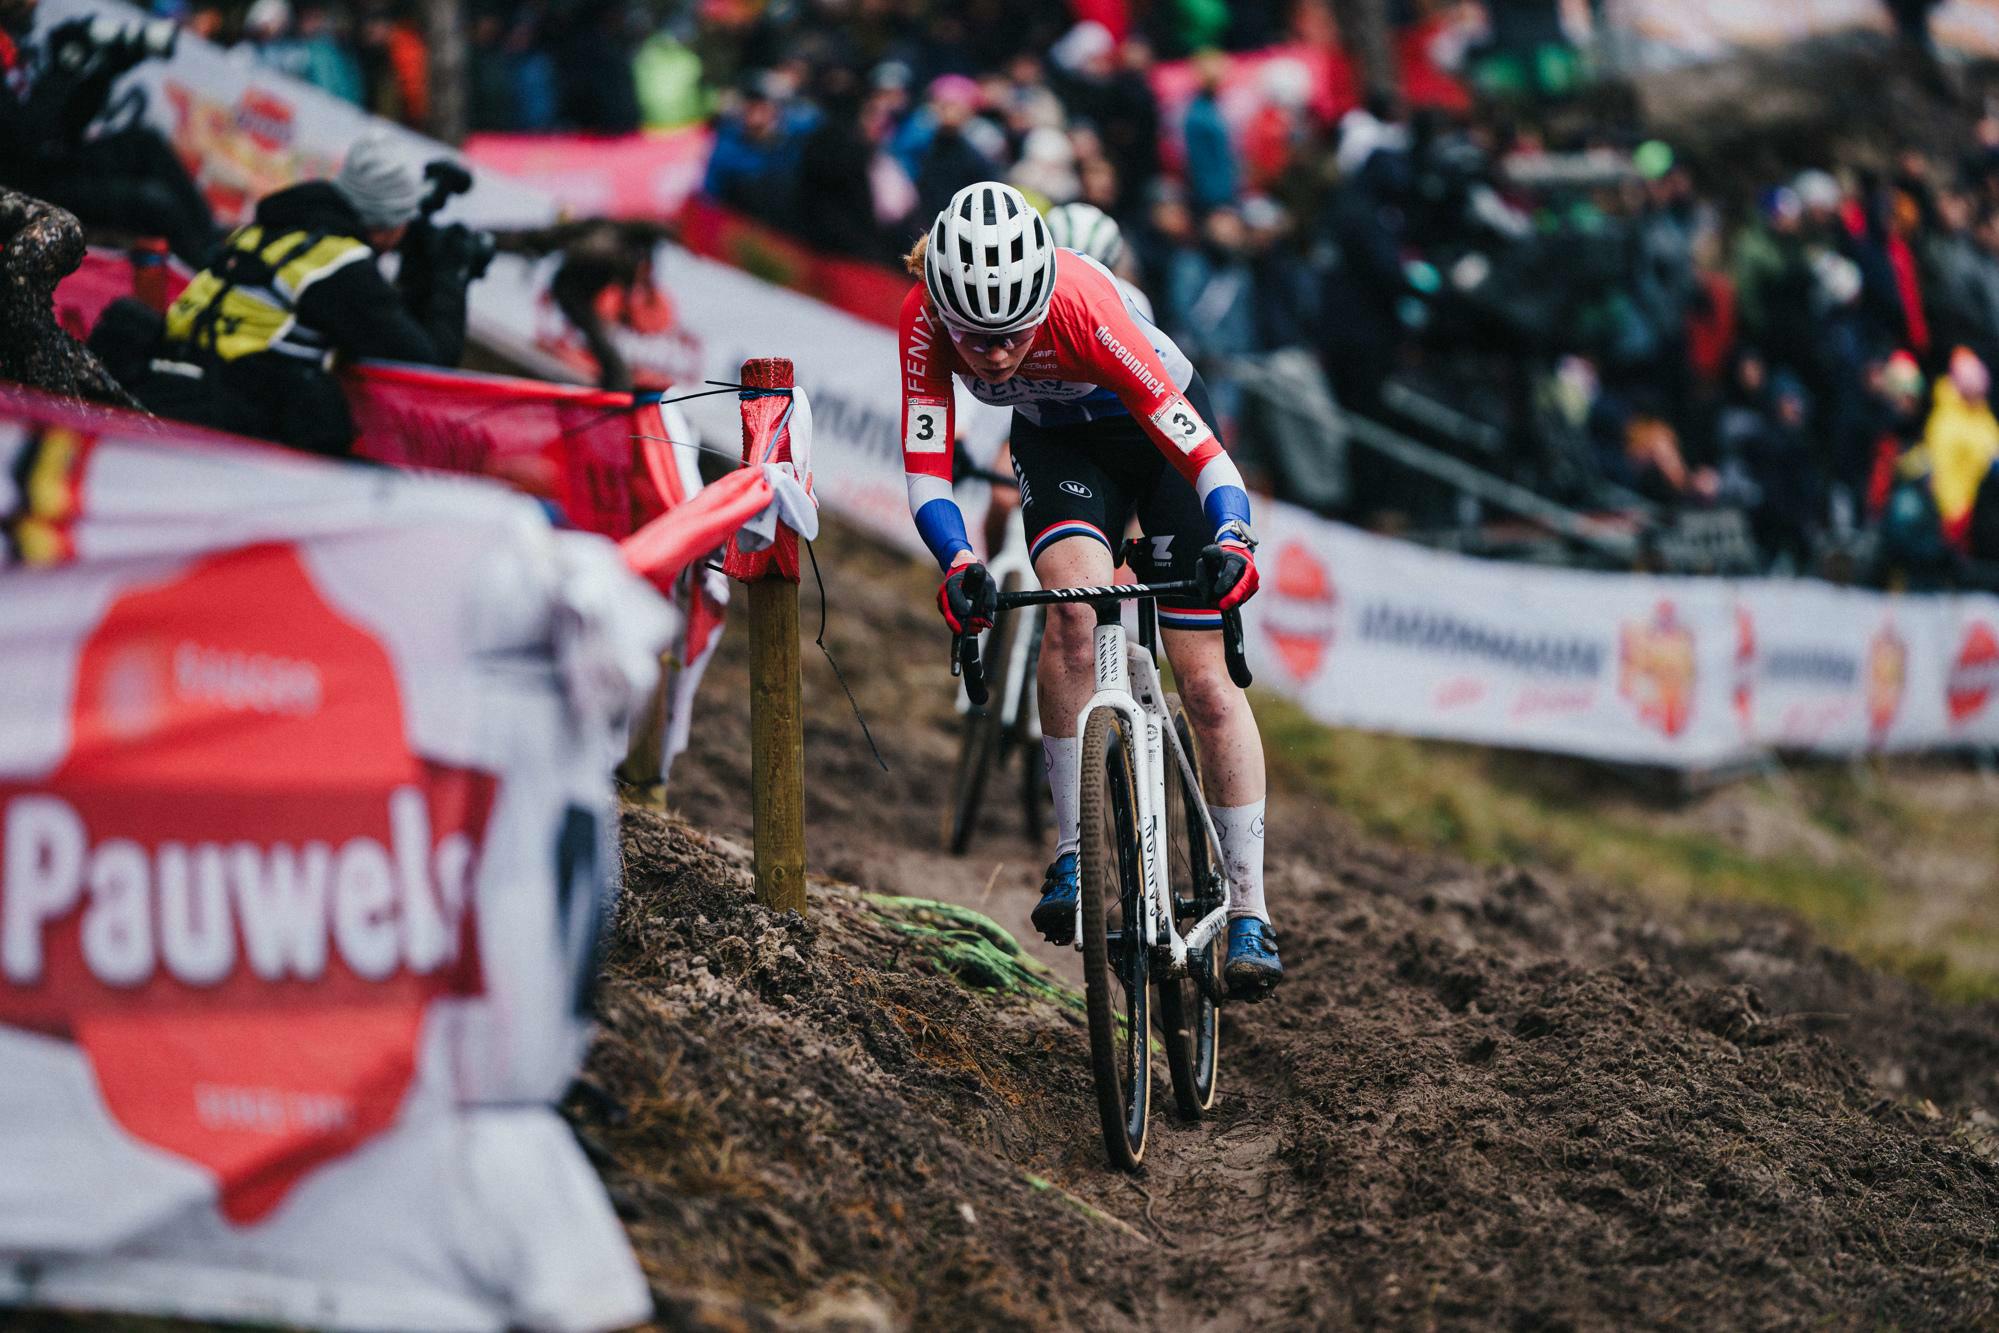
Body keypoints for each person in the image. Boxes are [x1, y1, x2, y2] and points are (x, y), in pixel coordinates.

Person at [899, 181, 1282, 996]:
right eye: (977, 338)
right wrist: (961, 564)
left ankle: (1249, 906)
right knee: (1070, 615)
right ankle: (1076, 854)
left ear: (1040, 295)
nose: (995, 355)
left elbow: (1203, 451)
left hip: (1156, 440)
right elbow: (926, 470)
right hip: (1058, 449)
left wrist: (1231, 537)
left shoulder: (1083, 309)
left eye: (1010, 334)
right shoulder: (924, 323)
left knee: (1205, 680)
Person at [132, 134, 480, 456]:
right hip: (227, 428)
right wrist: (453, 272)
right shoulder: (338, 265)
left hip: (166, 390)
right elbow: (430, 363)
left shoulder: (267, 231)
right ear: (389, 225)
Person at [0, 0, 218, 265]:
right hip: (18, 186)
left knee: (144, 144)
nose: (34, 5)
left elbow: (67, 127)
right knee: (154, 202)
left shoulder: (18, 43)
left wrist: (109, 67)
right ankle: (211, 273)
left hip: (43, 165)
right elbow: (23, 139)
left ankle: (214, 244)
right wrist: (63, 72)